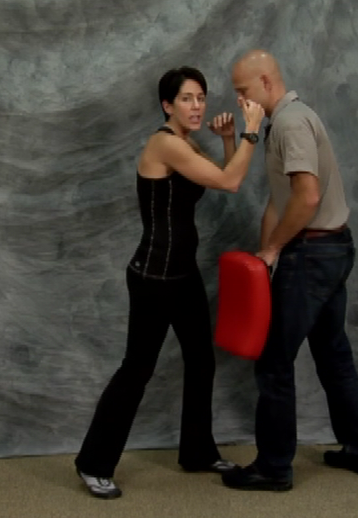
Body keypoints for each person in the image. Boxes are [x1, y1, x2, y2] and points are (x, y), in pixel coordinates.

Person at [74, 66, 265, 499]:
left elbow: (215, 178)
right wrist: (253, 131)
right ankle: (93, 463)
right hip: (154, 278)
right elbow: (231, 181)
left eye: (200, 97)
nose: (197, 106)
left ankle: (197, 452)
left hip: (182, 275)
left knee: (201, 360)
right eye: (186, 99)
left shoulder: (184, 142)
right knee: (136, 371)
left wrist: (231, 138)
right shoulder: (164, 143)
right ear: (167, 105)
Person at [220, 50, 358, 492]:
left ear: (267, 82)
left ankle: (273, 467)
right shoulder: (284, 122)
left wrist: (275, 248)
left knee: (274, 362)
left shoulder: (290, 123)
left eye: (243, 90)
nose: (238, 99)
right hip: (327, 250)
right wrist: (263, 255)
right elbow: (280, 198)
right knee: (333, 353)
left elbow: (306, 198)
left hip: (312, 254)